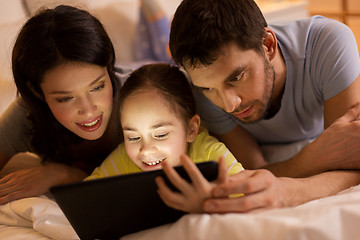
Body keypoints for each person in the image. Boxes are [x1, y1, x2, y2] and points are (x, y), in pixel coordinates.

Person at [165, 0, 360, 213]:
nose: (229, 105)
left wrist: (292, 191)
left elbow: (351, 160)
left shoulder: (327, 43)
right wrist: (313, 157)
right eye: (208, 89)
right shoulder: (199, 91)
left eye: (236, 77)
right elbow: (253, 169)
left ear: (268, 46)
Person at [0, 5, 132, 205]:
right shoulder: (27, 116)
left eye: (97, 87)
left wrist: (66, 176)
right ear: (37, 92)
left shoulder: (144, 96)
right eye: (65, 98)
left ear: (110, 66)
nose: (88, 110)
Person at [86, 63, 244, 213]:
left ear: (191, 129)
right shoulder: (125, 158)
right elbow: (87, 196)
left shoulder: (212, 156)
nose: (146, 150)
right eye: (133, 137)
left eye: (160, 135)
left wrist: (211, 204)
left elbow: (248, 199)